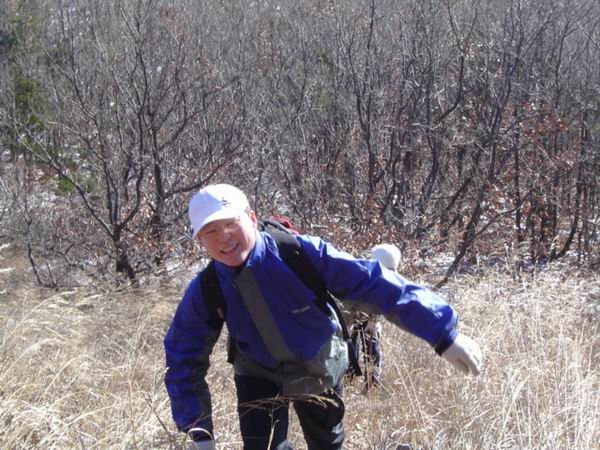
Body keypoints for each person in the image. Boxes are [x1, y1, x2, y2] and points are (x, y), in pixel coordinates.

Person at [163, 184, 483, 450]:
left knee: (326, 444)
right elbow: (182, 357)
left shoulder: (299, 253)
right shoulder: (207, 288)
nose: (224, 237)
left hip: (316, 363)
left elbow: (376, 282)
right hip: (257, 371)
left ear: (252, 218)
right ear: (200, 240)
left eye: (231, 223)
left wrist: (443, 333)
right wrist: (199, 430)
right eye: (211, 230)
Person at [347, 244, 401, 390]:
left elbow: (384, 296)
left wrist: (374, 320)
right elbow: (346, 300)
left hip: (370, 310)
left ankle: (372, 386)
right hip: (351, 310)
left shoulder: (389, 265)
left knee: (373, 346)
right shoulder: (357, 270)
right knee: (350, 347)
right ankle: (348, 382)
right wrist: (348, 324)